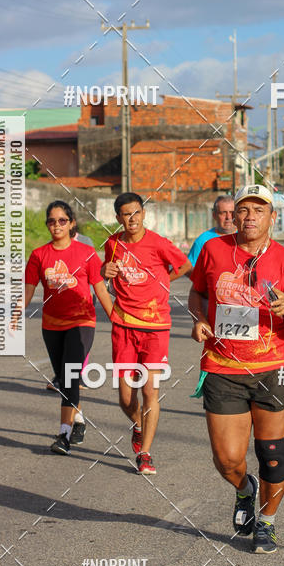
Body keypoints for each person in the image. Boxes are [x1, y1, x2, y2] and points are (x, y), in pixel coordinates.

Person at [189, 184, 284, 553]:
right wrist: (199, 319)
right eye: (244, 209)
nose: (249, 217)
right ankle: (245, 489)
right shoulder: (214, 249)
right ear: (234, 215)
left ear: (272, 217)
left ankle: (267, 522)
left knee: (272, 455)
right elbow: (198, 292)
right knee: (227, 459)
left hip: (274, 367)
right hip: (223, 366)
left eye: (259, 210)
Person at [12, 201, 113, 455]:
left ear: (71, 223)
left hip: (81, 322)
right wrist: (16, 312)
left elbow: (100, 289)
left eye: (62, 221)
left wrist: (116, 319)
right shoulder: (39, 255)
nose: (56, 225)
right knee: (65, 380)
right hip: (52, 324)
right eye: (51, 221)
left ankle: (64, 435)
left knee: (69, 376)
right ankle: (78, 419)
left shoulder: (86, 253)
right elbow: (28, 289)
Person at [102, 192, 192, 475]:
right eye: (126, 214)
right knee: (125, 398)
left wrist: (162, 281)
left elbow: (185, 265)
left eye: (136, 212)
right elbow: (107, 273)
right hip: (124, 325)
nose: (132, 218)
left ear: (143, 214)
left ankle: (145, 454)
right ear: (118, 218)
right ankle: (138, 424)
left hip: (155, 326)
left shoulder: (159, 243)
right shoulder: (112, 244)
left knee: (150, 390)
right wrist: (106, 270)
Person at [187, 196, 235, 268]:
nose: (228, 217)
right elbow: (188, 268)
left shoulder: (244, 237)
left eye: (232, 212)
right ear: (214, 215)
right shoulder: (203, 240)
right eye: (223, 213)